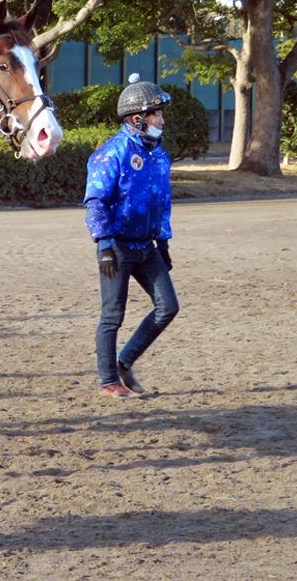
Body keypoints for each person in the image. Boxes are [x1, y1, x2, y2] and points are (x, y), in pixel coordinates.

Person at [83, 81, 180, 399]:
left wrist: (163, 245)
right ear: (137, 118)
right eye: (157, 115)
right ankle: (108, 381)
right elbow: (95, 201)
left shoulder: (160, 156)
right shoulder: (112, 152)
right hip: (118, 247)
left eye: (162, 115)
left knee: (168, 307)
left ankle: (125, 361)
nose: (162, 121)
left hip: (147, 247)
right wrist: (104, 243)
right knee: (113, 315)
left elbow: (162, 203)